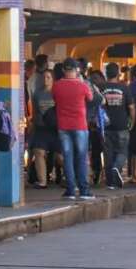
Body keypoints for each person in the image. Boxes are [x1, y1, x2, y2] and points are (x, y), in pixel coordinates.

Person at [52, 58, 94, 199]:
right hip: (80, 126)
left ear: (64, 70)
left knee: (67, 158)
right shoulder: (82, 86)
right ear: (77, 70)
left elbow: (55, 99)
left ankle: (70, 190)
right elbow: (91, 98)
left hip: (63, 126)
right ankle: (83, 191)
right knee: (81, 158)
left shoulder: (56, 86)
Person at [100, 62, 136, 189]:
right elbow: (131, 107)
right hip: (121, 125)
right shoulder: (124, 88)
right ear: (118, 74)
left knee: (108, 154)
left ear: (106, 74)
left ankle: (110, 183)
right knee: (122, 151)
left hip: (106, 127)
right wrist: (132, 121)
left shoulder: (101, 88)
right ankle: (117, 167)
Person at [30, 69, 61, 189]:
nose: (45, 80)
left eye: (48, 77)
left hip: (55, 128)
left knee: (60, 156)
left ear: (53, 79)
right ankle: (42, 181)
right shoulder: (37, 93)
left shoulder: (57, 92)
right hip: (41, 128)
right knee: (39, 152)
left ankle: (71, 179)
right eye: (43, 77)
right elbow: (35, 110)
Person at [88, 70, 107, 185]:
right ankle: (96, 172)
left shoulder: (104, 91)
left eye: (95, 78)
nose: (93, 81)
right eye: (91, 78)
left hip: (104, 126)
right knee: (94, 151)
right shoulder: (91, 92)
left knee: (104, 150)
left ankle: (103, 173)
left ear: (102, 78)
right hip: (93, 127)